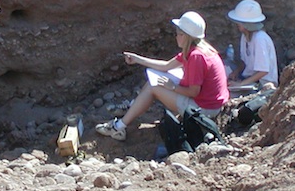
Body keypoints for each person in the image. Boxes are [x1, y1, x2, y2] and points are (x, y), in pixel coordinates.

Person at [96, 11, 230, 141]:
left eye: (178, 34)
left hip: (206, 109)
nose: (176, 37)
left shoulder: (196, 57)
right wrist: (137, 59)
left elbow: (194, 92)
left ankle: (118, 127)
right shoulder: (201, 49)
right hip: (210, 103)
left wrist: (172, 87)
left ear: (185, 36)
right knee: (155, 82)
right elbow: (166, 66)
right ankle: (131, 109)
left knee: (153, 87)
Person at [226, 0, 278, 89]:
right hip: (249, 79)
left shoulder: (260, 39)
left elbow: (263, 71)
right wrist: (236, 72)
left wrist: (241, 84)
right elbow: (245, 62)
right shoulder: (245, 36)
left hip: (262, 84)